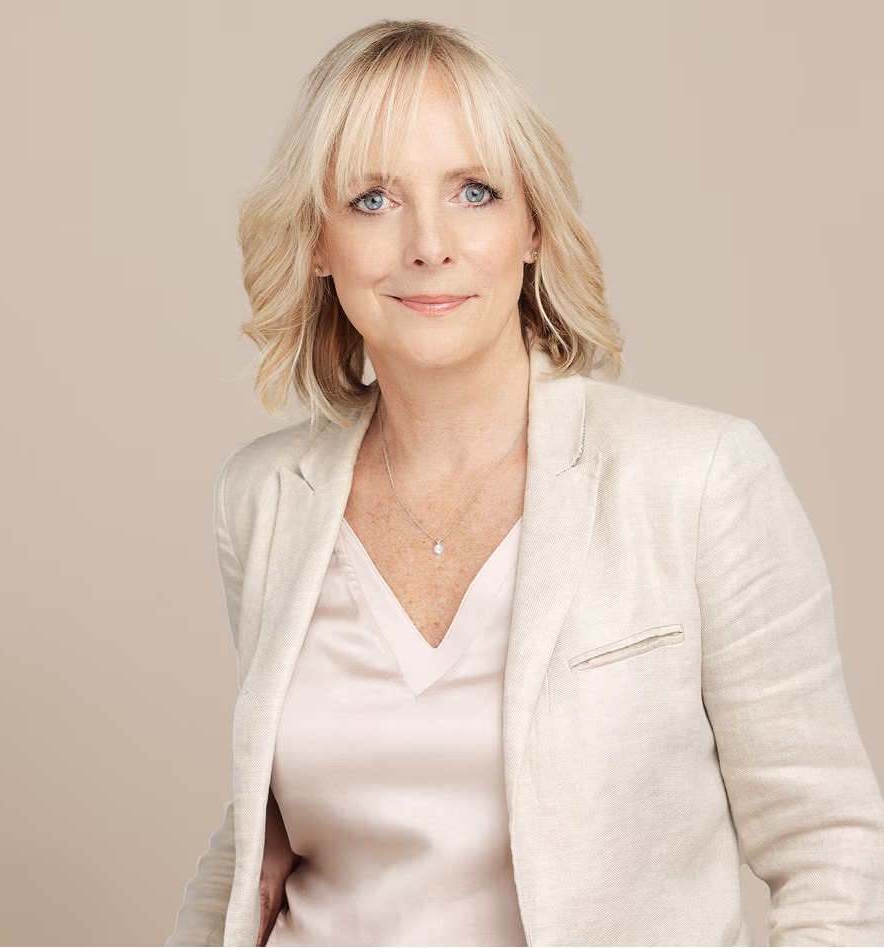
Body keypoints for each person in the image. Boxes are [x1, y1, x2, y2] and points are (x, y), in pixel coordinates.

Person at [165, 18, 884, 948]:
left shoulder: (698, 480)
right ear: (317, 241)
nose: (430, 244)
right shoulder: (262, 501)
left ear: (533, 225)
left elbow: (832, 845)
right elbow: (256, 836)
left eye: (474, 191)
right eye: (374, 198)